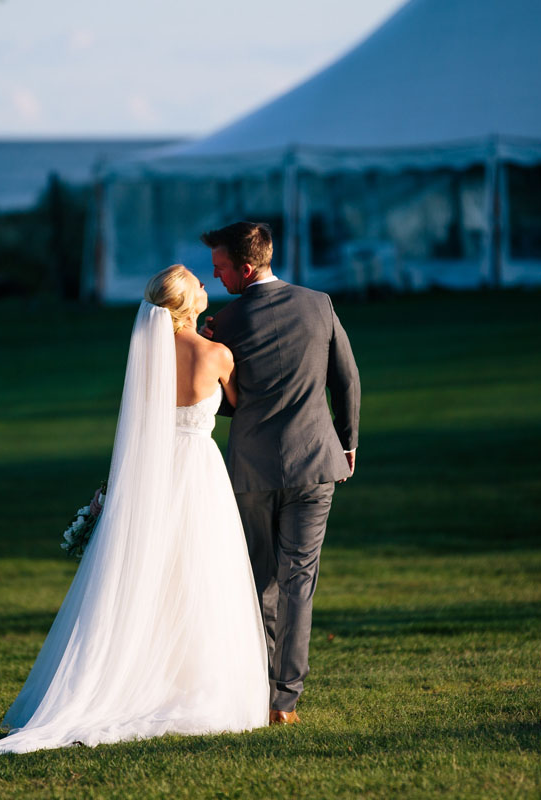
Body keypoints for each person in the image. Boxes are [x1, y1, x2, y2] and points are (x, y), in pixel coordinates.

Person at [0, 264, 268, 754]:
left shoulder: (146, 356)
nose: (204, 286)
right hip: (197, 472)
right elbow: (238, 403)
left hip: (149, 474)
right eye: (198, 283)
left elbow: (138, 422)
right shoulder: (217, 354)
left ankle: (135, 677)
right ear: (188, 304)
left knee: (144, 578)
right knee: (198, 576)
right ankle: (192, 684)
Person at [199, 221, 361, 725]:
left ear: (245, 269)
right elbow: (347, 378)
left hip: (251, 469)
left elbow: (222, 404)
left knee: (261, 580)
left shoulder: (223, 324)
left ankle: (261, 689)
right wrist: (348, 441)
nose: (217, 276)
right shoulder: (320, 304)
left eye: (221, 268)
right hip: (317, 461)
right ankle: (283, 701)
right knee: (299, 582)